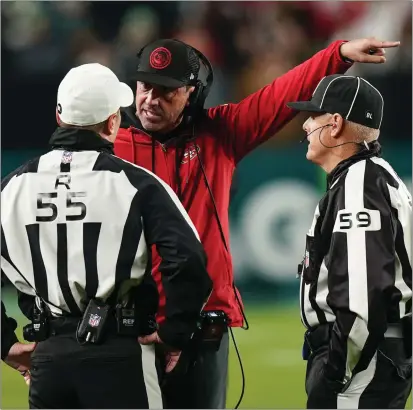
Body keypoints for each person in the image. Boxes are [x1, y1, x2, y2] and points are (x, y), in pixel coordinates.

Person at [113, 37, 400, 408]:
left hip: (202, 327)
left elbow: (279, 96)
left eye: (166, 90)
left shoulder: (219, 133)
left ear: (191, 94)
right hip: (131, 324)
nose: (151, 99)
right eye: (145, 86)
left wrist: (337, 55)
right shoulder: (110, 147)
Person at [1, 63, 212, 409]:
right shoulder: (136, 183)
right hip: (120, 349)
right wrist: (174, 333)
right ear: (113, 121)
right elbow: (187, 258)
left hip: (49, 357)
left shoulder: (11, 188)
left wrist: (4, 343)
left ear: (59, 115)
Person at [287, 74, 412, 409]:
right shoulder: (370, 176)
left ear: (336, 124)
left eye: (313, 116)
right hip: (375, 356)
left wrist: (332, 375)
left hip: (363, 362)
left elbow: (365, 297)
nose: (305, 126)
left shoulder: (360, 184)